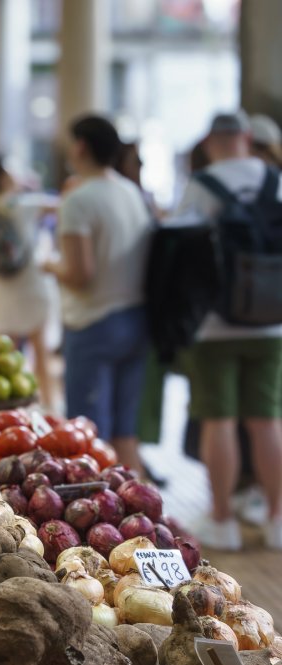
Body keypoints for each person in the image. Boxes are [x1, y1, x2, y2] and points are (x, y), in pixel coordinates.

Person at [173, 111, 282, 551]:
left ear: (209, 142)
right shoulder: (275, 180)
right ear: (247, 136)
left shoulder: (203, 185)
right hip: (272, 321)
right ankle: (277, 519)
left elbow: (179, 251)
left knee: (219, 421)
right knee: (267, 421)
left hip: (215, 325)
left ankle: (222, 520)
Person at [43, 115, 153, 475]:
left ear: (80, 147)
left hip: (93, 324)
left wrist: (50, 264)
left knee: (88, 439)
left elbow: (80, 275)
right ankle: (139, 501)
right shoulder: (130, 192)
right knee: (125, 433)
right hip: (136, 319)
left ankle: (98, 507)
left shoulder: (78, 200)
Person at [0, 155, 59, 410]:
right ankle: (48, 406)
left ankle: (7, 408)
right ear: (2, 179)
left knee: (5, 355)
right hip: (30, 283)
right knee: (40, 350)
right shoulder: (22, 204)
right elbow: (59, 206)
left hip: (2, 287)